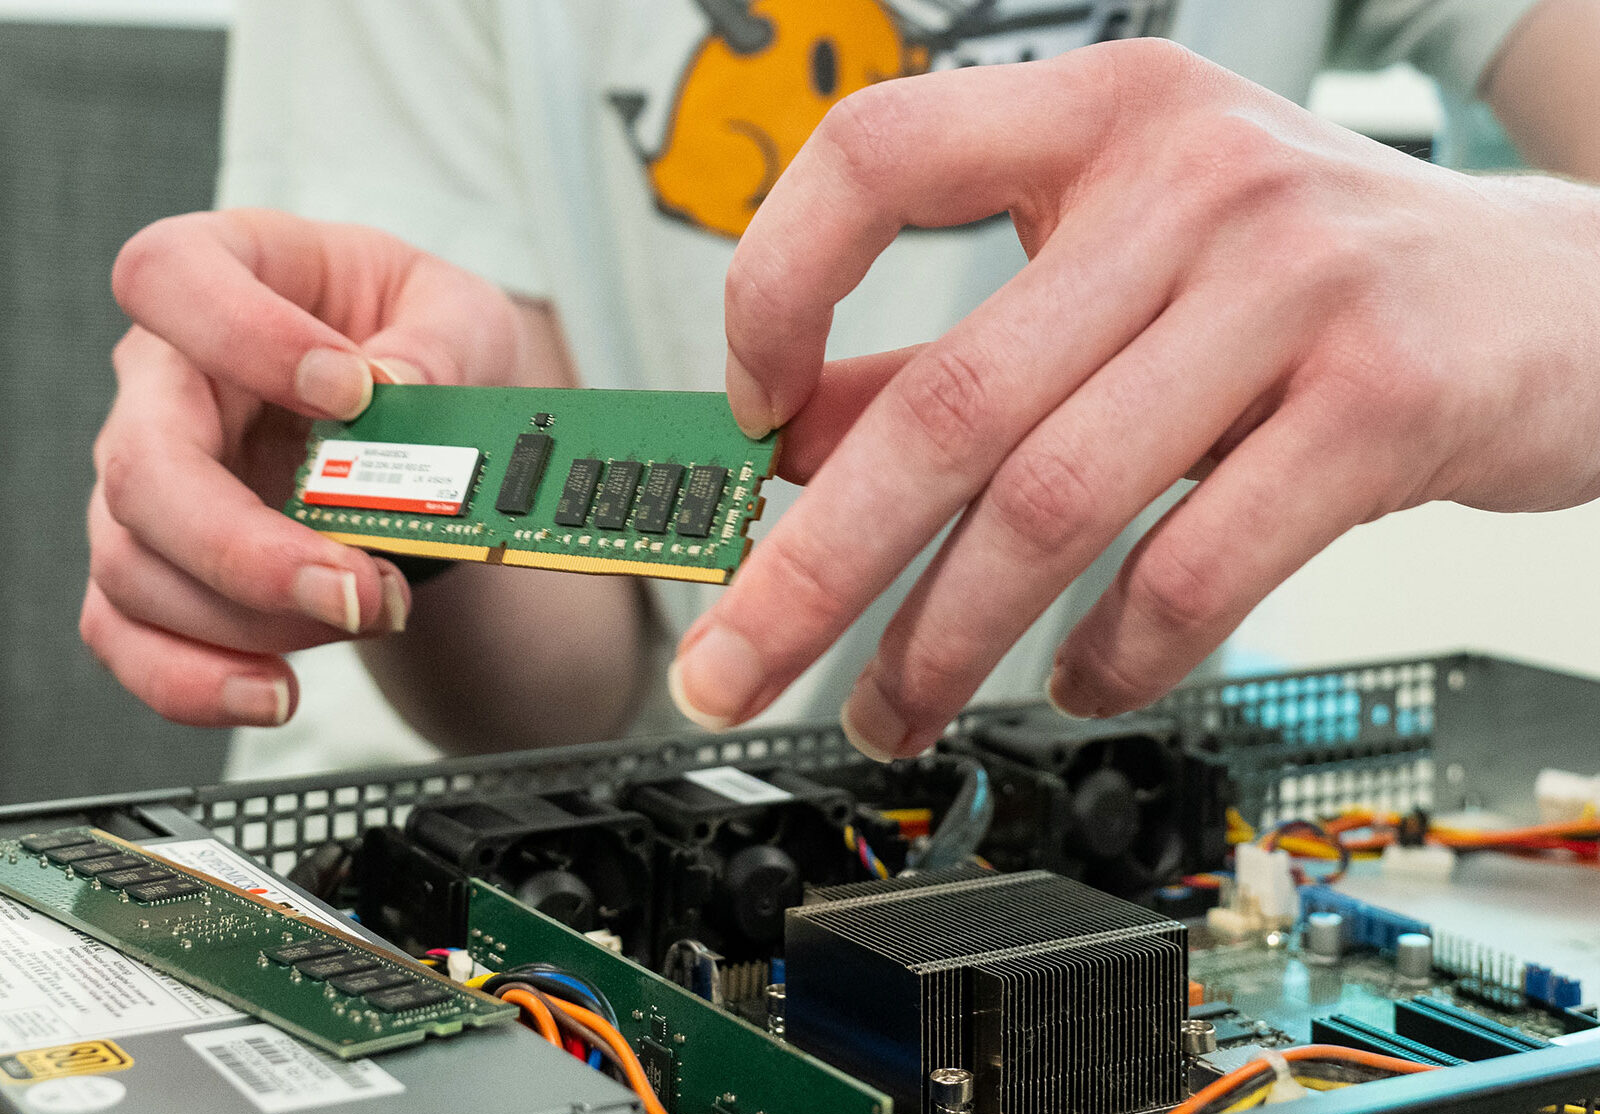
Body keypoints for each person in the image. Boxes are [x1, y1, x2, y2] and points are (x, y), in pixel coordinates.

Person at [87, 0, 1600, 775]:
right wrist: (410, 465)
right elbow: (570, 695)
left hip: (1107, 838)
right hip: (499, 875)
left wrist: (1545, 272)